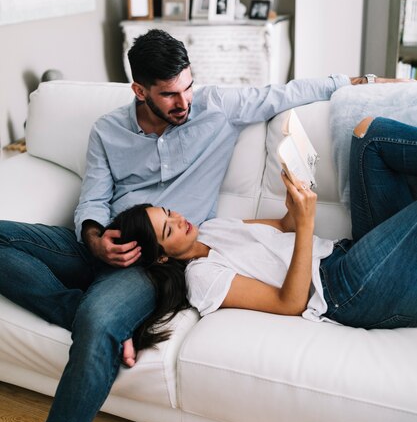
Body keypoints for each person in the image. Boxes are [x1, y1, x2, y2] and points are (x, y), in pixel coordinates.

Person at [0, 28, 404, 422]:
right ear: (139, 91)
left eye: (188, 86)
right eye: (169, 95)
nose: (184, 102)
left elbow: (289, 92)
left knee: (97, 322)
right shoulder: (108, 132)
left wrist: (365, 80)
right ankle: (67, 306)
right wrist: (94, 240)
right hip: (107, 240)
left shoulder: (215, 107)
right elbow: (92, 200)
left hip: (153, 264)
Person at [112, 116, 417, 331]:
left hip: (346, 253)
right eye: (169, 229)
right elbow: (290, 303)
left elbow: (285, 227)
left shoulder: (211, 228)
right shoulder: (201, 278)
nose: (179, 220)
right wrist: (307, 224)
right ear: (162, 256)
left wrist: (293, 201)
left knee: (369, 135)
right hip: (341, 291)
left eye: (169, 212)